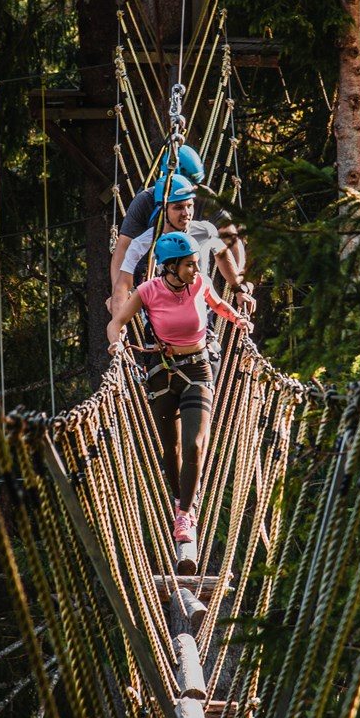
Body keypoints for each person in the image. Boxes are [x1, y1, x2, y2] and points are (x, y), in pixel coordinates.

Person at [107, 232, 253, 544]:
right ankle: (179, 500)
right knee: (170, 449)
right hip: (162, 373)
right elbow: (116, 323)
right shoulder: (148, 291)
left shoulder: (200, 283)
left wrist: (237, 320)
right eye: (189, 265)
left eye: (197, 263)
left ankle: (185, 513)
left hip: (198, 368)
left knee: (194, 445)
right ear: (170, 267)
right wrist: (116, 343)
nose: (196, 270)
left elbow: (218, 305)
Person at [109, 173, 255, 316]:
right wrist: (118, 318)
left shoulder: (204, 231)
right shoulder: (143, 244)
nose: (186, 213)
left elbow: (222, 252)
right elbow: (122, 285)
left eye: (190, 206)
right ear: (162, 209)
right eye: (178, 207)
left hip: (198, 315)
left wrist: (238, 289)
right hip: (158, 319)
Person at [108, 144, 204, 305]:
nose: (186, 211)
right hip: (152, 271)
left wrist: (239, 286)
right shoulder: (146, 201)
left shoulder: (203, 200)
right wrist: (118, 295)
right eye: (178, 206)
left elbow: (230, 239)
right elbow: (123, 248)